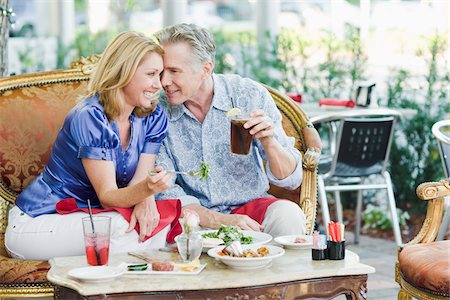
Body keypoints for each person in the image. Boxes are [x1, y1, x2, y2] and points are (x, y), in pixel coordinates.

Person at [5, 31, 177, 260]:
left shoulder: (152, 116)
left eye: (161, 74)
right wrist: (149, 191)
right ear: (124, 72)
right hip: (36, 223)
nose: (159, 84)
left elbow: (139, 182)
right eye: (151, 74)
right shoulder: (89, 117)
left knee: (163, 223)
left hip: (89, 219)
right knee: (119, 229)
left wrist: (146, 199)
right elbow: (108, 195)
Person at [154, 23, 321, 237]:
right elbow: (166, 191)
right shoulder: (157, 111)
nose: (164, 82)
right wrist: (220, 221)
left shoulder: (248, 95)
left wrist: (270, 142)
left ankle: (283, 272)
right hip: (193, 216)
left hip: (251, 208)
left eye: (174, 71)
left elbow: (291, 180)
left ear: (206, 69)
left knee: (287, 215)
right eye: (161, 72)